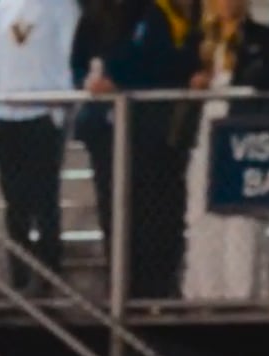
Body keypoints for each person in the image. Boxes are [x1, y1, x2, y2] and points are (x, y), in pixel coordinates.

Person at [75, 0, 201, 301]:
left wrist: (116, 79)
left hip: (154, 135)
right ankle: (121, 285)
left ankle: (156, 288)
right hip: (105, 132)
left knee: (156, 215)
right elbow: (78, 60)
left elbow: (162, 61)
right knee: (114, 213)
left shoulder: (155, 13)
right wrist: (89, 81)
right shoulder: (95, 16)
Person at [183, 0, 269, 301]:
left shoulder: (263, 36)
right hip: (202, 136)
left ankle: (242, 293)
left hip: (242, 137)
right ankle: (206, 292)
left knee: (242, 219)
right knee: (201, 213)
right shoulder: (196, 41)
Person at [0, 0, 80, 293]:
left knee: (44, 200)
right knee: (15, 205)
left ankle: (49, 276)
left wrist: (61, 107)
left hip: (42, 115)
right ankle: (19, 278)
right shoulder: (1, 6)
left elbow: (68, 54)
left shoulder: (62, 6)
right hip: (3, 116)